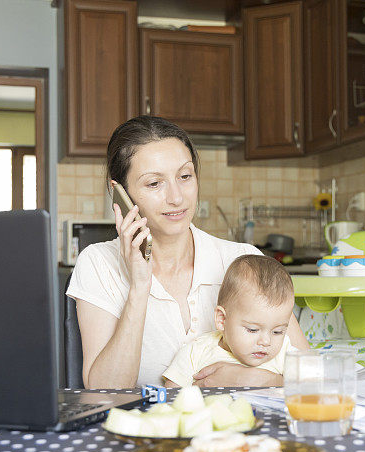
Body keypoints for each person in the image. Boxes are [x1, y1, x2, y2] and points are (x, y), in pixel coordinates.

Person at [66, 115, 310, 389]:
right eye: (154, 183)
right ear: (119, 192)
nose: (177, 197)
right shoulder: (98, 264)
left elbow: (312, 376)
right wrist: (139, 286)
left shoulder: (243, 260)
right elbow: (105, 393)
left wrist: (255, 378)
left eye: (185, 176)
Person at [162, 254, 297, 388]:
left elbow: (312, 385)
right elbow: (171, 395)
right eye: (253, 330)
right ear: (222, 319)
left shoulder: (285, 353)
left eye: (277, 332)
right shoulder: (197, 352)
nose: (266, 341)